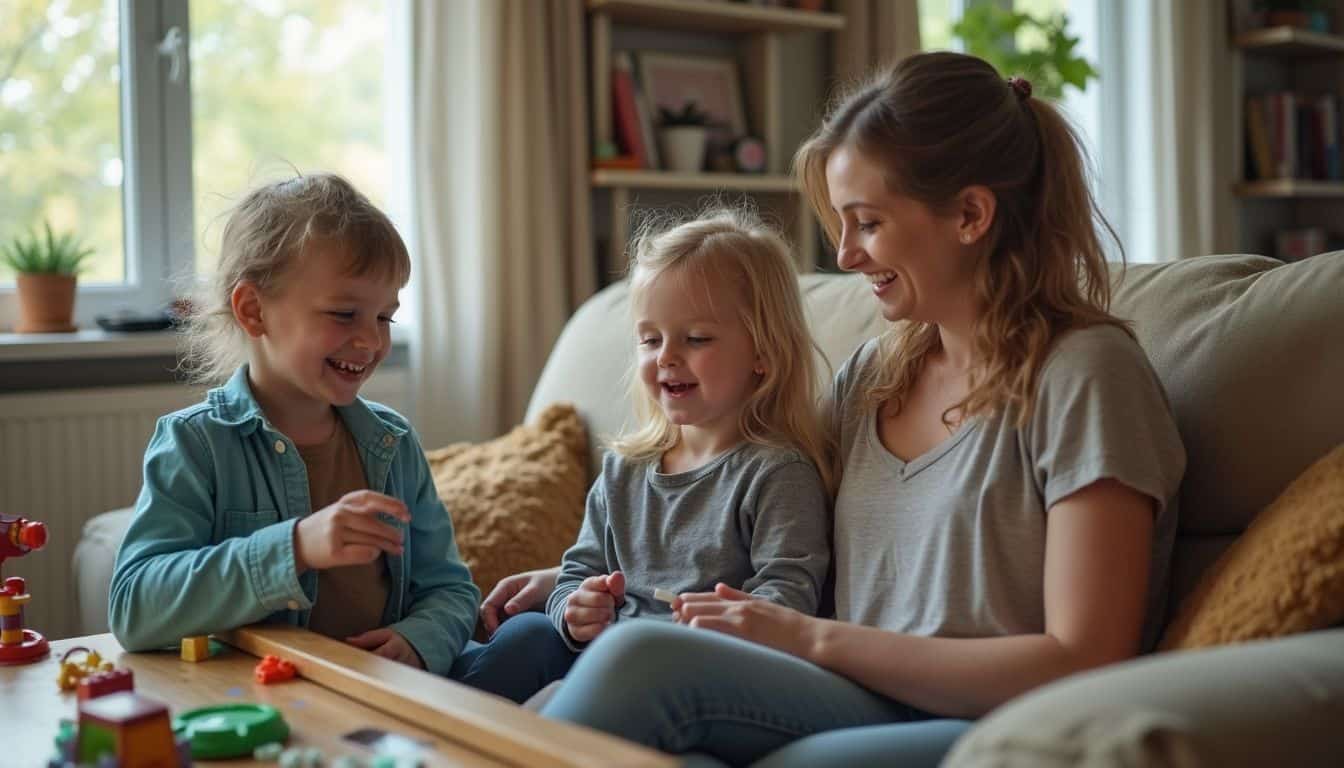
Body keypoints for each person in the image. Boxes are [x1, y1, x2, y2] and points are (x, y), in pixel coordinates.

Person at [489, 52, 1186, 766]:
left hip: (988, 720)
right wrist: (587, 579)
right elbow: (754, 508)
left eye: (868, 223)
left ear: (971, 215)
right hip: (842, 693)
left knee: (644, 662)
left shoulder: (1087, 376)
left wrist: (810, 639)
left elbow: (1084, 659)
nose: (847, 256)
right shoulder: (875, 377)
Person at [450, 209, 833, 704]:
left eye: (696, 338)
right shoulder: (624, 469)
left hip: (686, 672)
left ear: (763, 351)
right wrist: (574, 610)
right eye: (650, 340)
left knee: (601, 665)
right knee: (527, 633)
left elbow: (789, 600)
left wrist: (722, 619)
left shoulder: (777, 474)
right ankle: (435, 726)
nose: (666, 357)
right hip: (599, 654)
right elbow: (575, 575)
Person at [108, 173, 479, 675]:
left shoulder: (393, 443)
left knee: (532, 641)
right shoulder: (195, 443)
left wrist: (417, 641)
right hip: (276, 702)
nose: (371, 341)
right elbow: (135, 606)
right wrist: (296, 546)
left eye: (384, 318)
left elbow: (450, 589)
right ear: (253, 310)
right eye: (345, 314)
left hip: (391, 692)